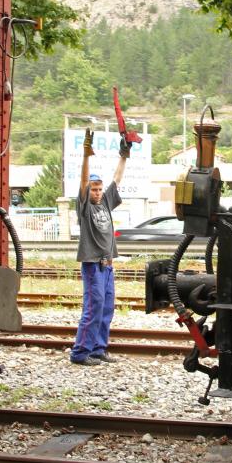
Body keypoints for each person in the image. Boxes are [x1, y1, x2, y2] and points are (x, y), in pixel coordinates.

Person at [70, 128, 130, 366]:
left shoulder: (105, 201)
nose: (96, 192)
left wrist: (123, 156)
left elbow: (117, 179)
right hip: (93, 265)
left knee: (106, 308)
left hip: (107, 265)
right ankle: (80, 353)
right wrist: (86, 155)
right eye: (93, 189)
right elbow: (83, 181)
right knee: (93, 309)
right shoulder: (85, 206)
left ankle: (98, 349)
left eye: (98, 189)